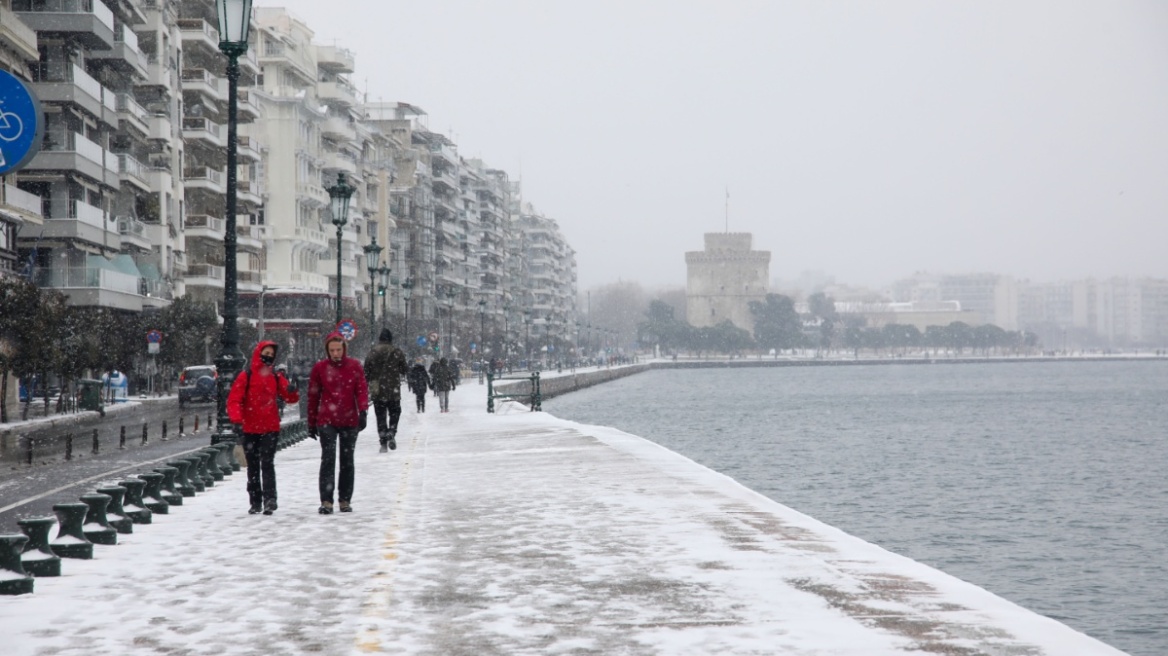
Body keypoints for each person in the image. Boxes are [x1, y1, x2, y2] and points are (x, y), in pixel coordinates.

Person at [227, 341, 299, 515]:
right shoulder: (247, 375)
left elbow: (290, 398)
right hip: (250, 428)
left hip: (270, 427)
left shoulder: (275, 375)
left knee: (267, 463)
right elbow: (234, 399)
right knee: (253, 465)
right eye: (265, 353)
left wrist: (292, 390)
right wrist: (237, 420)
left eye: (271, 354)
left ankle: (270, 499)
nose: (268, 356)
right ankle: (255, 501)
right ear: (258, 353)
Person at [307, 331, 369, 515]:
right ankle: (326, 500)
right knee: (328, 459)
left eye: (338, 350)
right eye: (332, 350)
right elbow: (313, 396)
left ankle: (345, 499)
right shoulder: (320, 368)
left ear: (344, 349)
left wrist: (363, 411)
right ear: (327, 350)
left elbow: (361, 390)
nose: (335, 353)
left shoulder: (354, 366)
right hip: (327, 420)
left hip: (349, 419)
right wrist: (311, 422)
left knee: (347, 460)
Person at [363, 328, 409, 453]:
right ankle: (392, 431)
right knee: (395, 412)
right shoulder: (396, 352)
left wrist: (368, 384)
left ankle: (383, 440)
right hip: (393, 388)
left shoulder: (372, 352)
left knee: (380, 415)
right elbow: (405, 369)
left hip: (377, 389)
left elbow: (366, 371)